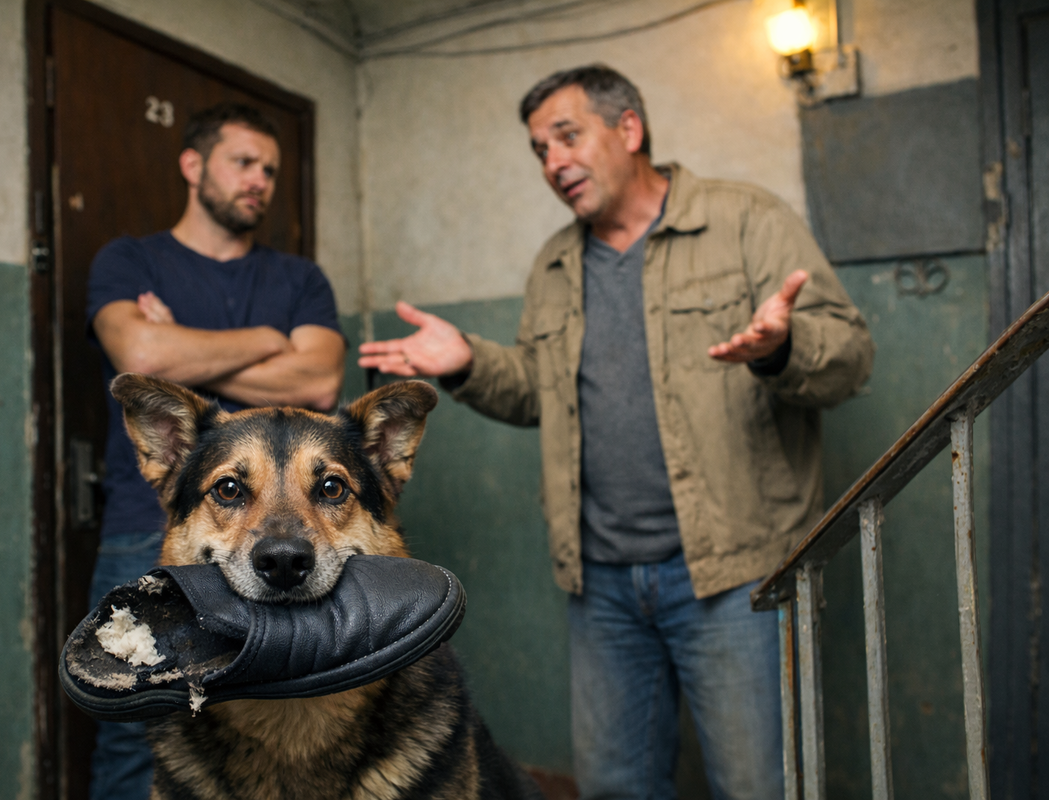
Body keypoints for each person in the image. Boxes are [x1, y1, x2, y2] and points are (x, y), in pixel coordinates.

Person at [358, 65, 874, 800]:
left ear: (628, 128)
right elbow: (538, 389)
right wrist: (468, 360)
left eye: (567, 136)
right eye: (540, 149)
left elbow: (850, 357)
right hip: (600, 582)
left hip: (735, 574)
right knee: (614, 788)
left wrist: (783, 348)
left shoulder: (745, 220)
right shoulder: (556, 264)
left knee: (760, 785)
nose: (553, 161)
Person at [85, 102, 346, 800]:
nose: (259, 180)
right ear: (193, 165)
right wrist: (268, 342)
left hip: (284, 529)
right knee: (132, 720)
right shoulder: (130, 260)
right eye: (243, 162)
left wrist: (188, 350)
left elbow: (320, 380)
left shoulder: (300, 279)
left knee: (273, 706)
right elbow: (141, 357)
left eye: (270, 170)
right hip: (143, 528)